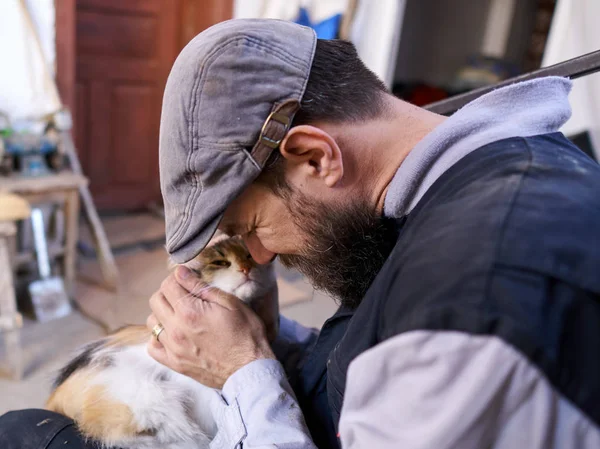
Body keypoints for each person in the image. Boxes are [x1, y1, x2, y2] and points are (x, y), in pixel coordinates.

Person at [1, 18, 600, 449]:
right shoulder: (442, 193)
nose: (257, 256)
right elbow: (367, 371)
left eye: (250, 226)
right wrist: (271, 336)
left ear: (315, 158)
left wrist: (243, 371)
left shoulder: (474, 299)